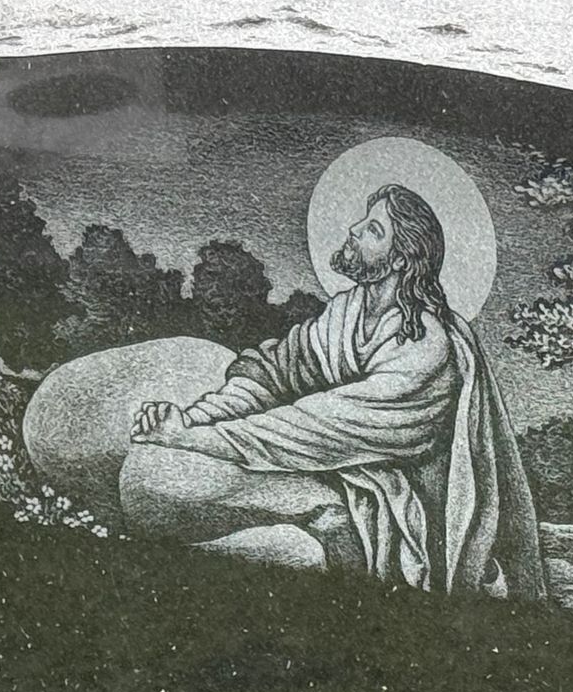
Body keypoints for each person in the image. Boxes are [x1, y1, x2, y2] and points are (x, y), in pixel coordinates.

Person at [125, 184, 543, 599]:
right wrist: (198, 416)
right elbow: (276, 372)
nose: (354, 230)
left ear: (400, 258)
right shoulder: (343, 313)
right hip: (338, 472)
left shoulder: (425, 347)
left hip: (405, 516)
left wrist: (196, 439)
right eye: (363, 220)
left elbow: (320, 424)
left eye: (374, 229)